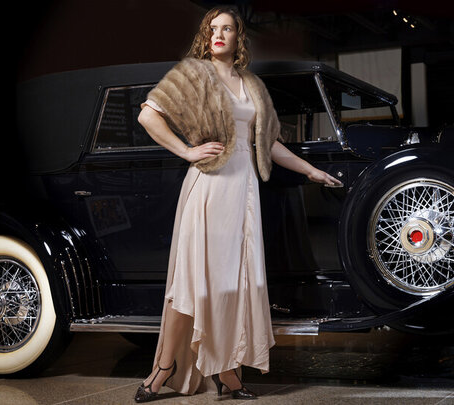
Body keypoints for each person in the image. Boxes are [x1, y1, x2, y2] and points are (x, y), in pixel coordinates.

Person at [133, 6, 341, 402]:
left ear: (238, 37)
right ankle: (163, 369)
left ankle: (228, 374)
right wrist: (187, 151)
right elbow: (148, 116)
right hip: (209, 189)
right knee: (190, 284)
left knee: (231, 285)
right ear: (205, 35)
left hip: (242, 194)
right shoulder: (194, 73)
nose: (219, 34)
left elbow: (267, 143)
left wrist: (310, 171)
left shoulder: (251, 84)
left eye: (227, 28)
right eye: (213, 28)